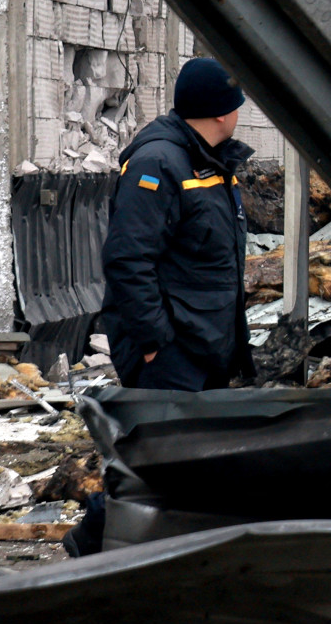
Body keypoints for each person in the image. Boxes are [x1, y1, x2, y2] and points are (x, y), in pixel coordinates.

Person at [100, 56, 256, 392]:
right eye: (237, 106)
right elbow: (127, 260)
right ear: (221, 112)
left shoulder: (212, 162)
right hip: (173, 357)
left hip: (206, 348)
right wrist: (155, 344)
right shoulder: (157, 165)